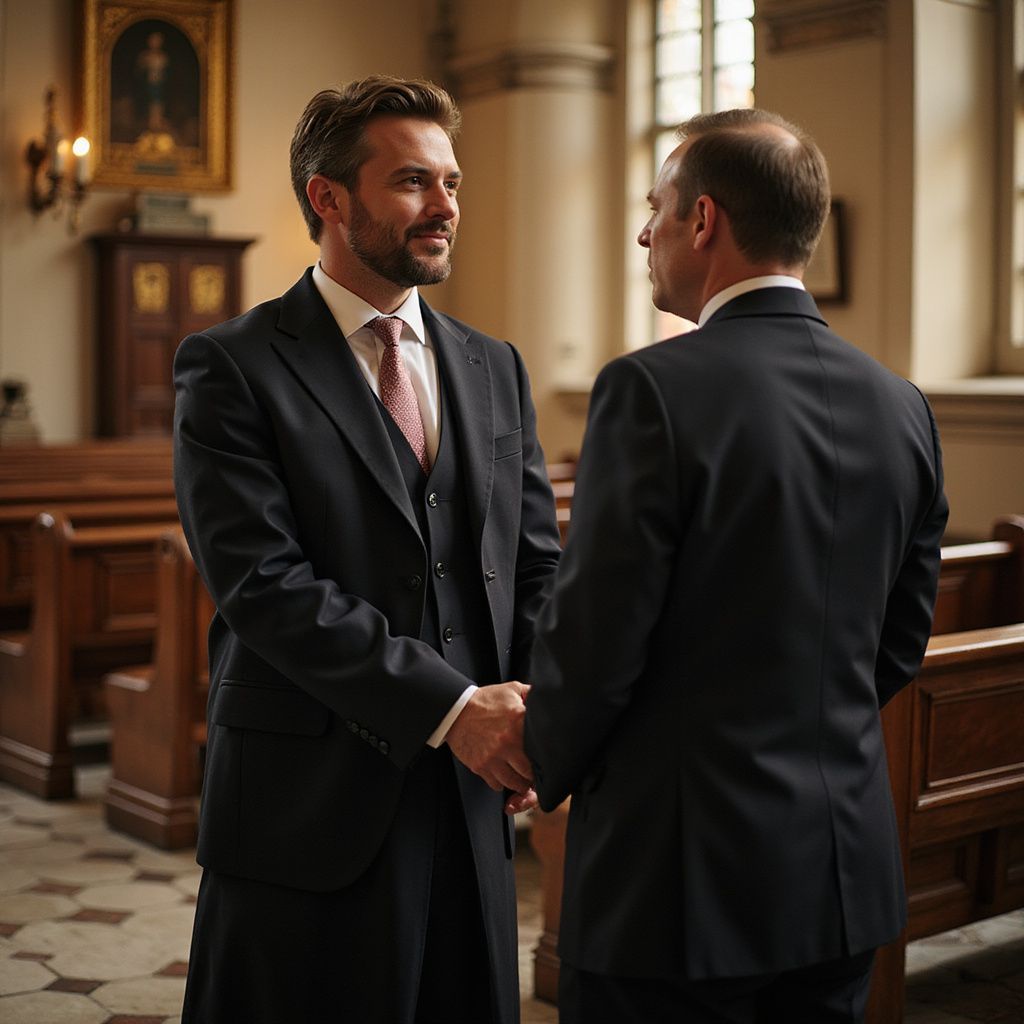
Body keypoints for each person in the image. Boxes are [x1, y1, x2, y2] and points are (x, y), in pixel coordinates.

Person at [523, 108, 948, 1024]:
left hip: (678, 886)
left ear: (703, 220)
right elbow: (899, 642)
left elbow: (599, 637)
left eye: (657, 207)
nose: (645, 231)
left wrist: (538, 758)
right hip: (839, 875)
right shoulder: (901, 404)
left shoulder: (650, 389)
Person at [173, 76, 561, 1024]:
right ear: (329, 198)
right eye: (414, 183)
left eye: (453, 184)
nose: (445, 208)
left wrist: (541, 713)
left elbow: (538, 563)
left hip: (469, 801)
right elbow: (265, 587)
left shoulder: (492, 364)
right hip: (305, 798)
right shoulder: (231, 365)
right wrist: (454, 706)